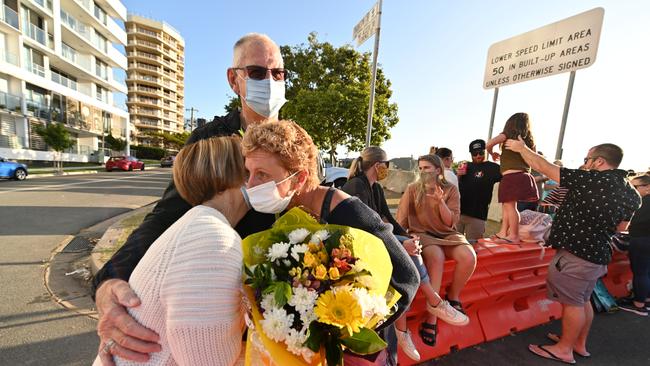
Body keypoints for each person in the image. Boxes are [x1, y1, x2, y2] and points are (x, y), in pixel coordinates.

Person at [91, 33, 287, 364]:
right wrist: (110, 279)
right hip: (211, 303)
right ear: (233, 79)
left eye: (277, 73)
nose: (269, 81)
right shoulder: (210, 141)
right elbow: (165, 217)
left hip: (278, 313)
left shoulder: (296, 144)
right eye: (256, 73)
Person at [241, 120, 419, 365]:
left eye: (262, 174)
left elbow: (408, 278)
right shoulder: (277, 207)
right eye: (248, 172)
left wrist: (348, 331)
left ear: (300, 178)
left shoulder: (347, 211)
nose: (250, 185)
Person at [92, 136, 249, 365]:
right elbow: (209, 360)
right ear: (227, 176)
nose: (258, 179)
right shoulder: (213, 239)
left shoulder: (198, 225)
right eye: (251, 169)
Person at [503, 139, 641, 364]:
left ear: (599, 161)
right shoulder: (632, 194)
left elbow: (546, 168)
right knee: (583, 301)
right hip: (598, 254)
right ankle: (578, 342)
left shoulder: (589, 179)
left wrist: (521, 149)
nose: (584, 164)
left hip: (576, 255)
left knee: (573, 304)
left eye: (587, 159)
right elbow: (621, 227)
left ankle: (564, 349)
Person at [342, 146, 468, 362]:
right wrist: (400, 244)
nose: (388, 170)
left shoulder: (376, 189)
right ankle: (434, 302)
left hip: (376, 239)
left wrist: (407, 239)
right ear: (377, 165)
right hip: (360, 243)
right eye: (387, 165)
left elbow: (388, 221)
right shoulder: (356, 186)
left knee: (412, 251)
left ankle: (405, 329)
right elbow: (367, 228)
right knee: (410, 256)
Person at [396, 154, 477, 348]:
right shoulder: (412, 189)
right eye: (421, 168)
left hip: (447, 234)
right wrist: (404, 239)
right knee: (436, 256)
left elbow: (451, 223)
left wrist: (440, 202)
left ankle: (453, 296)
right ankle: (432, 318)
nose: (423, 172)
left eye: (427, 168)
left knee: (469, 257)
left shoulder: (451, 190)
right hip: (422, 234)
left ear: (438, 170)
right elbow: (401, 220)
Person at [486, 112, 539, 244]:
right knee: (506, 206)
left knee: (510, 207)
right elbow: (533, 157)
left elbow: (489, 144)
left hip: (512, 177)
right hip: (523, 176)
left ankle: (513, 235)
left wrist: (492, 153)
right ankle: (503, 232)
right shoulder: (529, 141)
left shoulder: (507, 135)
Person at [457, 139, 502, 242]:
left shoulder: (494, 168)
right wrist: (458, 176)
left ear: (486, 151)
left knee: (474, 247)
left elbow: (509, 176)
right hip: (458, 213)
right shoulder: (465, 165)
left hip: (478, 216)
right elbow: (454, 186)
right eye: (474, 153)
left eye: (481, 152)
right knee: (453, 244)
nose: (478, 156)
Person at [618, 174, 650, 316]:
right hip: (644, 238)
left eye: (633, 187)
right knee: (646, 272)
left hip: (642, 239)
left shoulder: (643, 203)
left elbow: (630, 222)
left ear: (647, 188)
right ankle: (645, 300)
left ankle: (639, 304)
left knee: (641, 272)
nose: (629, 189)